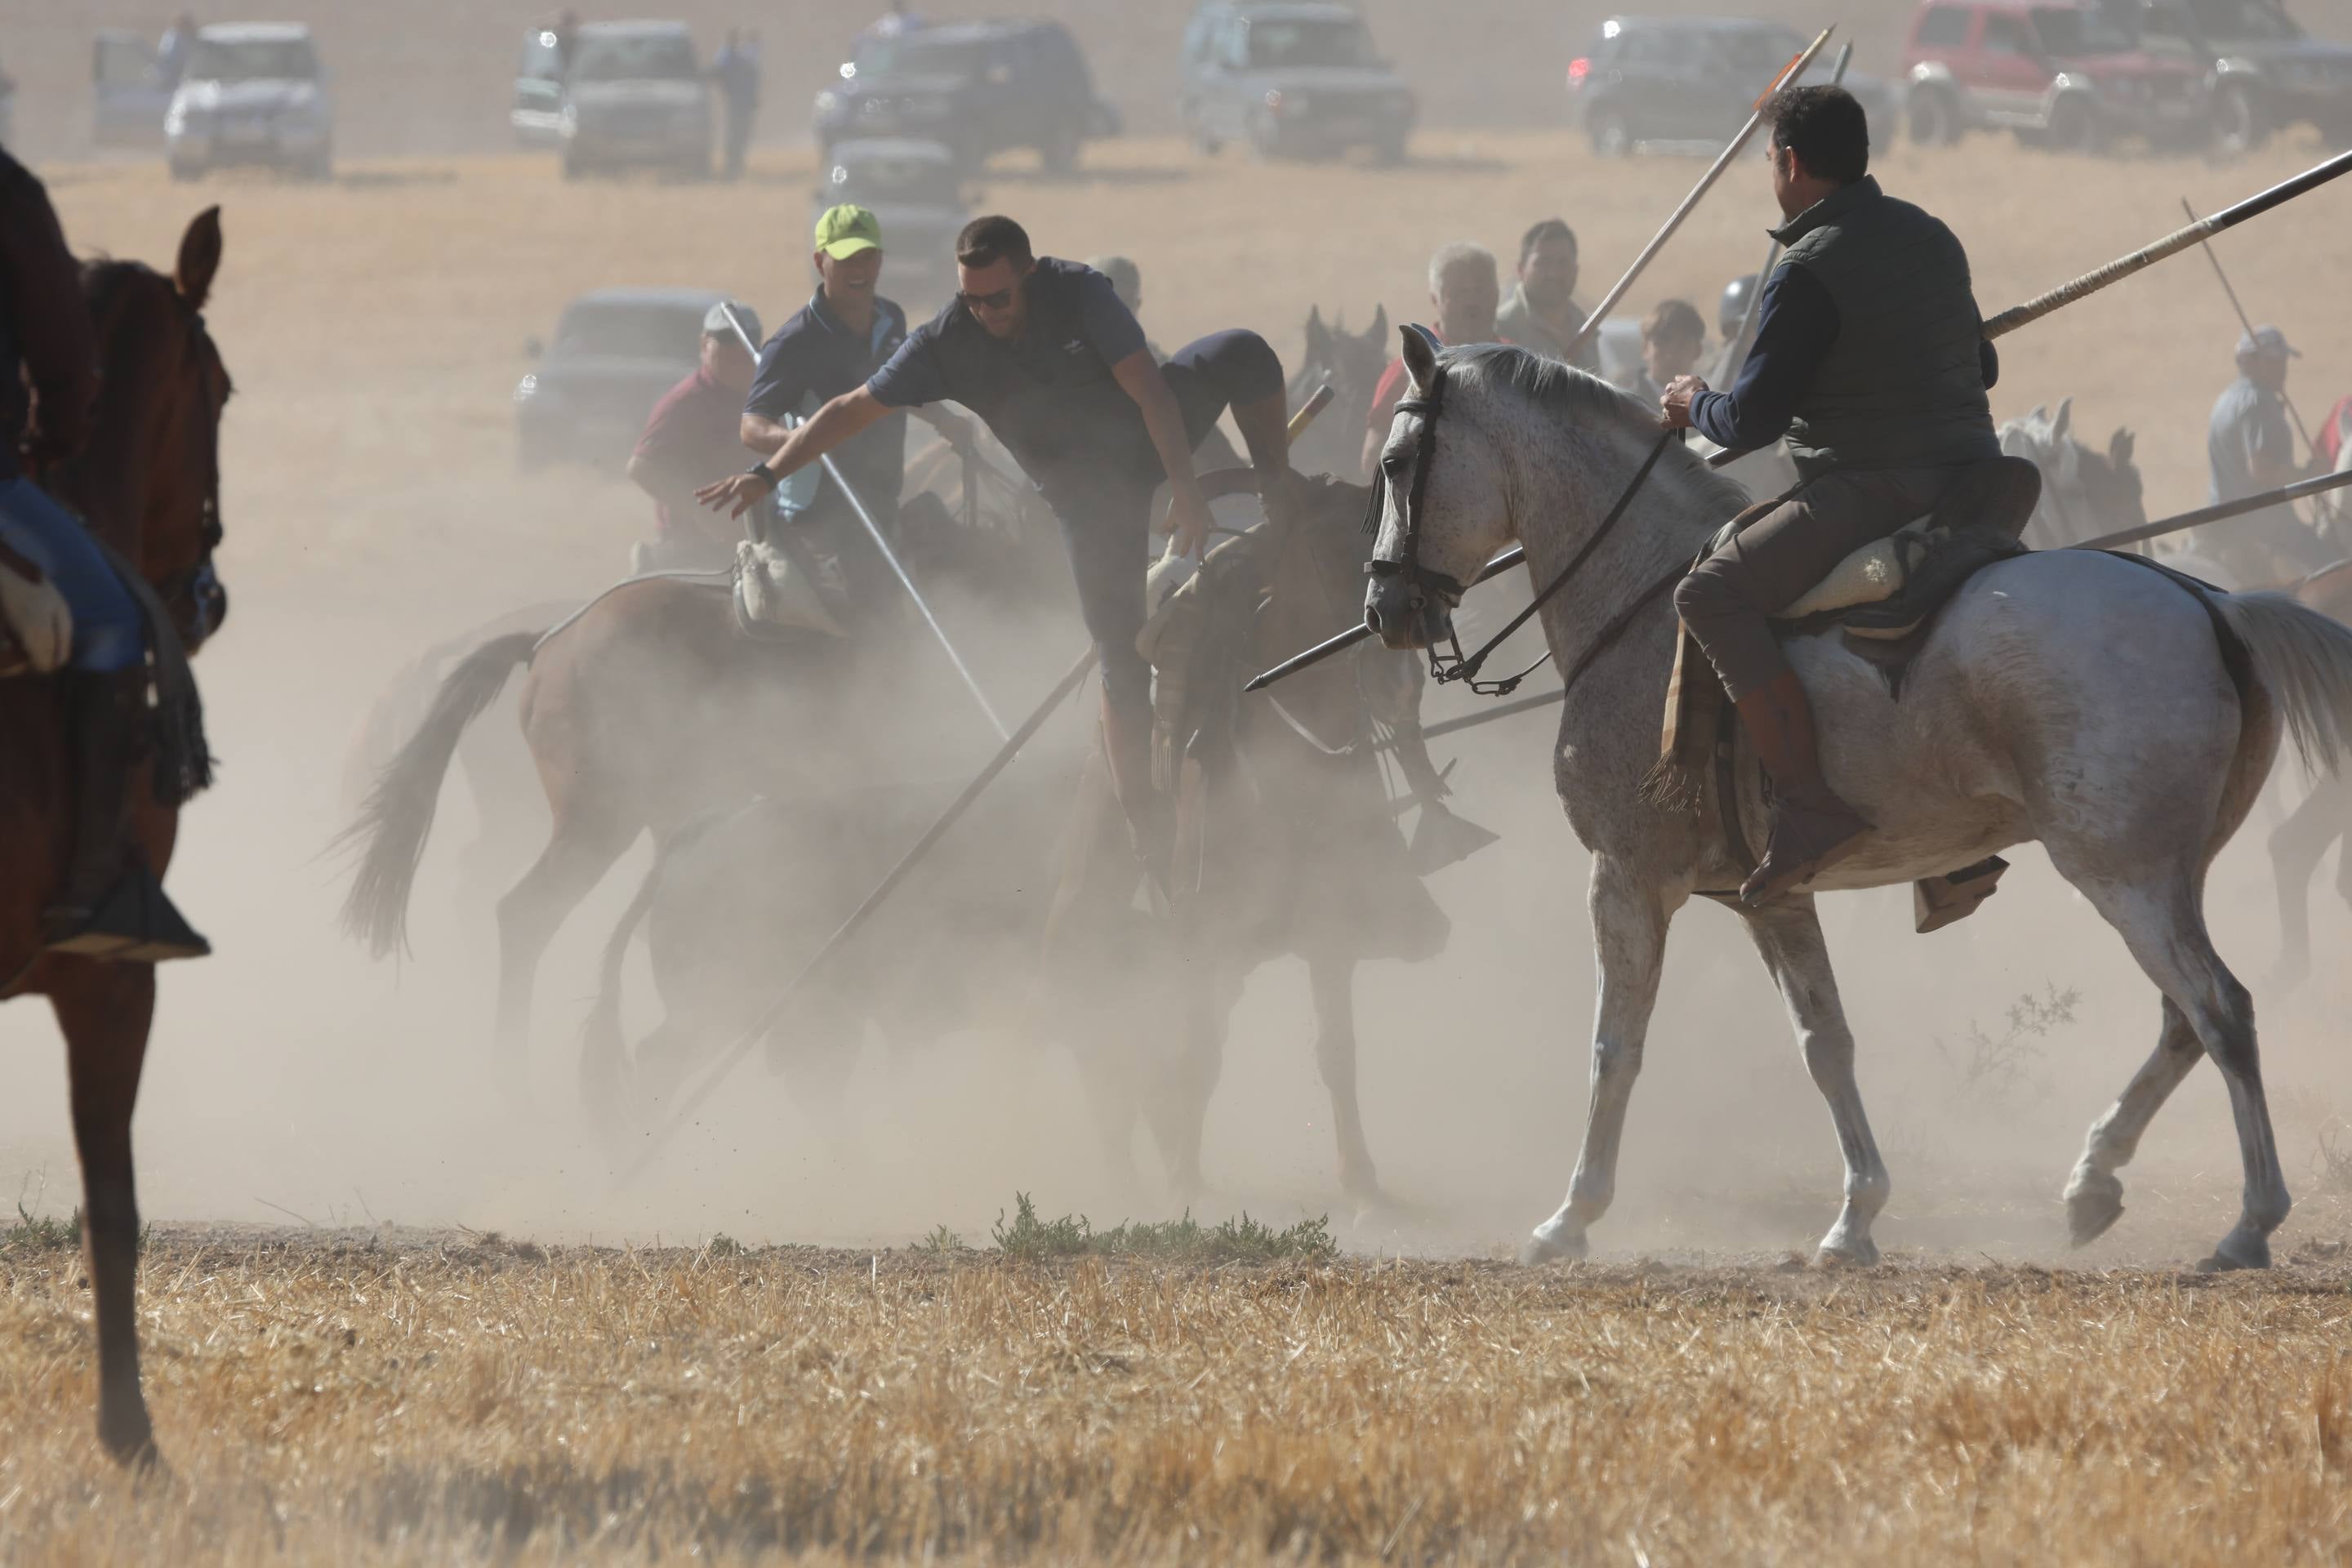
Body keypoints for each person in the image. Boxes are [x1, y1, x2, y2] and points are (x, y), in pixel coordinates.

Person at [698, 215, 1298, 872]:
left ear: (1029, 276)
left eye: (999, 298)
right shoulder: (945, 341)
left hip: (1144, 433)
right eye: (972, 299)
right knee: (1120, 657)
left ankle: (1283, 498)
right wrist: (766, 473)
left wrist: (1183, 485)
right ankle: (1145, 831)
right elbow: (850, 409)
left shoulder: (1080, 291)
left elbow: (1150, 388)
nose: (985, 312)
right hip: (1087, 498)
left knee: (1244, 351)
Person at [1659, 85, 2006, 907]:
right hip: (1974, 479)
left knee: (1709, 593)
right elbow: (1983, 367)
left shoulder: (1806, 267)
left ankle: (1810, 806)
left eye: (1769, 159)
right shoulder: (1931, 235)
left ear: (1790, 162)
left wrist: (1690, 402)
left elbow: (1750, 421)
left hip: (1876, 489)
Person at [0, 150, 205, 959]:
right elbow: (64, 354)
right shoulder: (8, 193)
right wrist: (54, 437)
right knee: (116, 620)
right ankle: (100, 892)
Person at [738, 204, 969, 618]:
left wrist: (944, 419)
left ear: (880, 259)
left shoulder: (891, 319)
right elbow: (752, 427)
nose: (858, 269)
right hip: (818, 514)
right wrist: (798, 441)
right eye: (845, 258)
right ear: (820, 261)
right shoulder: (794, 342)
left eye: (867, 256)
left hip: (881, 496)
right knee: (876, 614)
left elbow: (900, 385)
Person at [627, 301, 764, 574]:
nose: (736, 351)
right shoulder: (684, 403)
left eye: (745, 342)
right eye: (725, 339)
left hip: (758, 539)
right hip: (693, 547)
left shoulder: (768, 396)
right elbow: (642, 467)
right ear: (704, 344)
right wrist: (702, 512)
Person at [2202, 325, 2334, 582]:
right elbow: (2262, 470)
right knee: (2332, 565)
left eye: (2283, 361)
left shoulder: (2226, 399)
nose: (2283, 369)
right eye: (2275, 362)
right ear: (2251, 362)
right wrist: (2310, 475)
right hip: (2263, 523)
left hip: (2224, 520)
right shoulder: (2258, 401)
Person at [1360, 240, 1503, 478]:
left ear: (1496, 295)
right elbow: (1373, 458)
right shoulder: (1408, 371)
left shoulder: (1517, 364)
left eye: (1481, 290)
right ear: (1435, 299)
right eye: (1459, 292)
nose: (1472, 301)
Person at [1495, 218, 1597, 373]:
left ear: (1575, 271)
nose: (1553, 273)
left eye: (1562, 262)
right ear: (1521, 269)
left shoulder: (1587, 328)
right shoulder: (1499, 330)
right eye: (1543, 262)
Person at [1619, 298, 1705, 408]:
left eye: (1682, 344)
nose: (1671, 355)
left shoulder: (1706, 409)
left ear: (1698, 351)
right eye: (1661, 343)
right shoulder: (1624, 406)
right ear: (1645, 348)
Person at [712, 29, 761, 182]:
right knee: (736, 134)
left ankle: (735, 165)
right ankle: (732, 165)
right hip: (735, 102)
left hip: (738, 102)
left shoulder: (735, 57)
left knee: (739, 134)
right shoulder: (733, 57)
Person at [158, 11, 198, 87]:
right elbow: (165, 55)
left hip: (188, 76)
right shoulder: (171, 36)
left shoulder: (193, 39)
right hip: (170, 75)